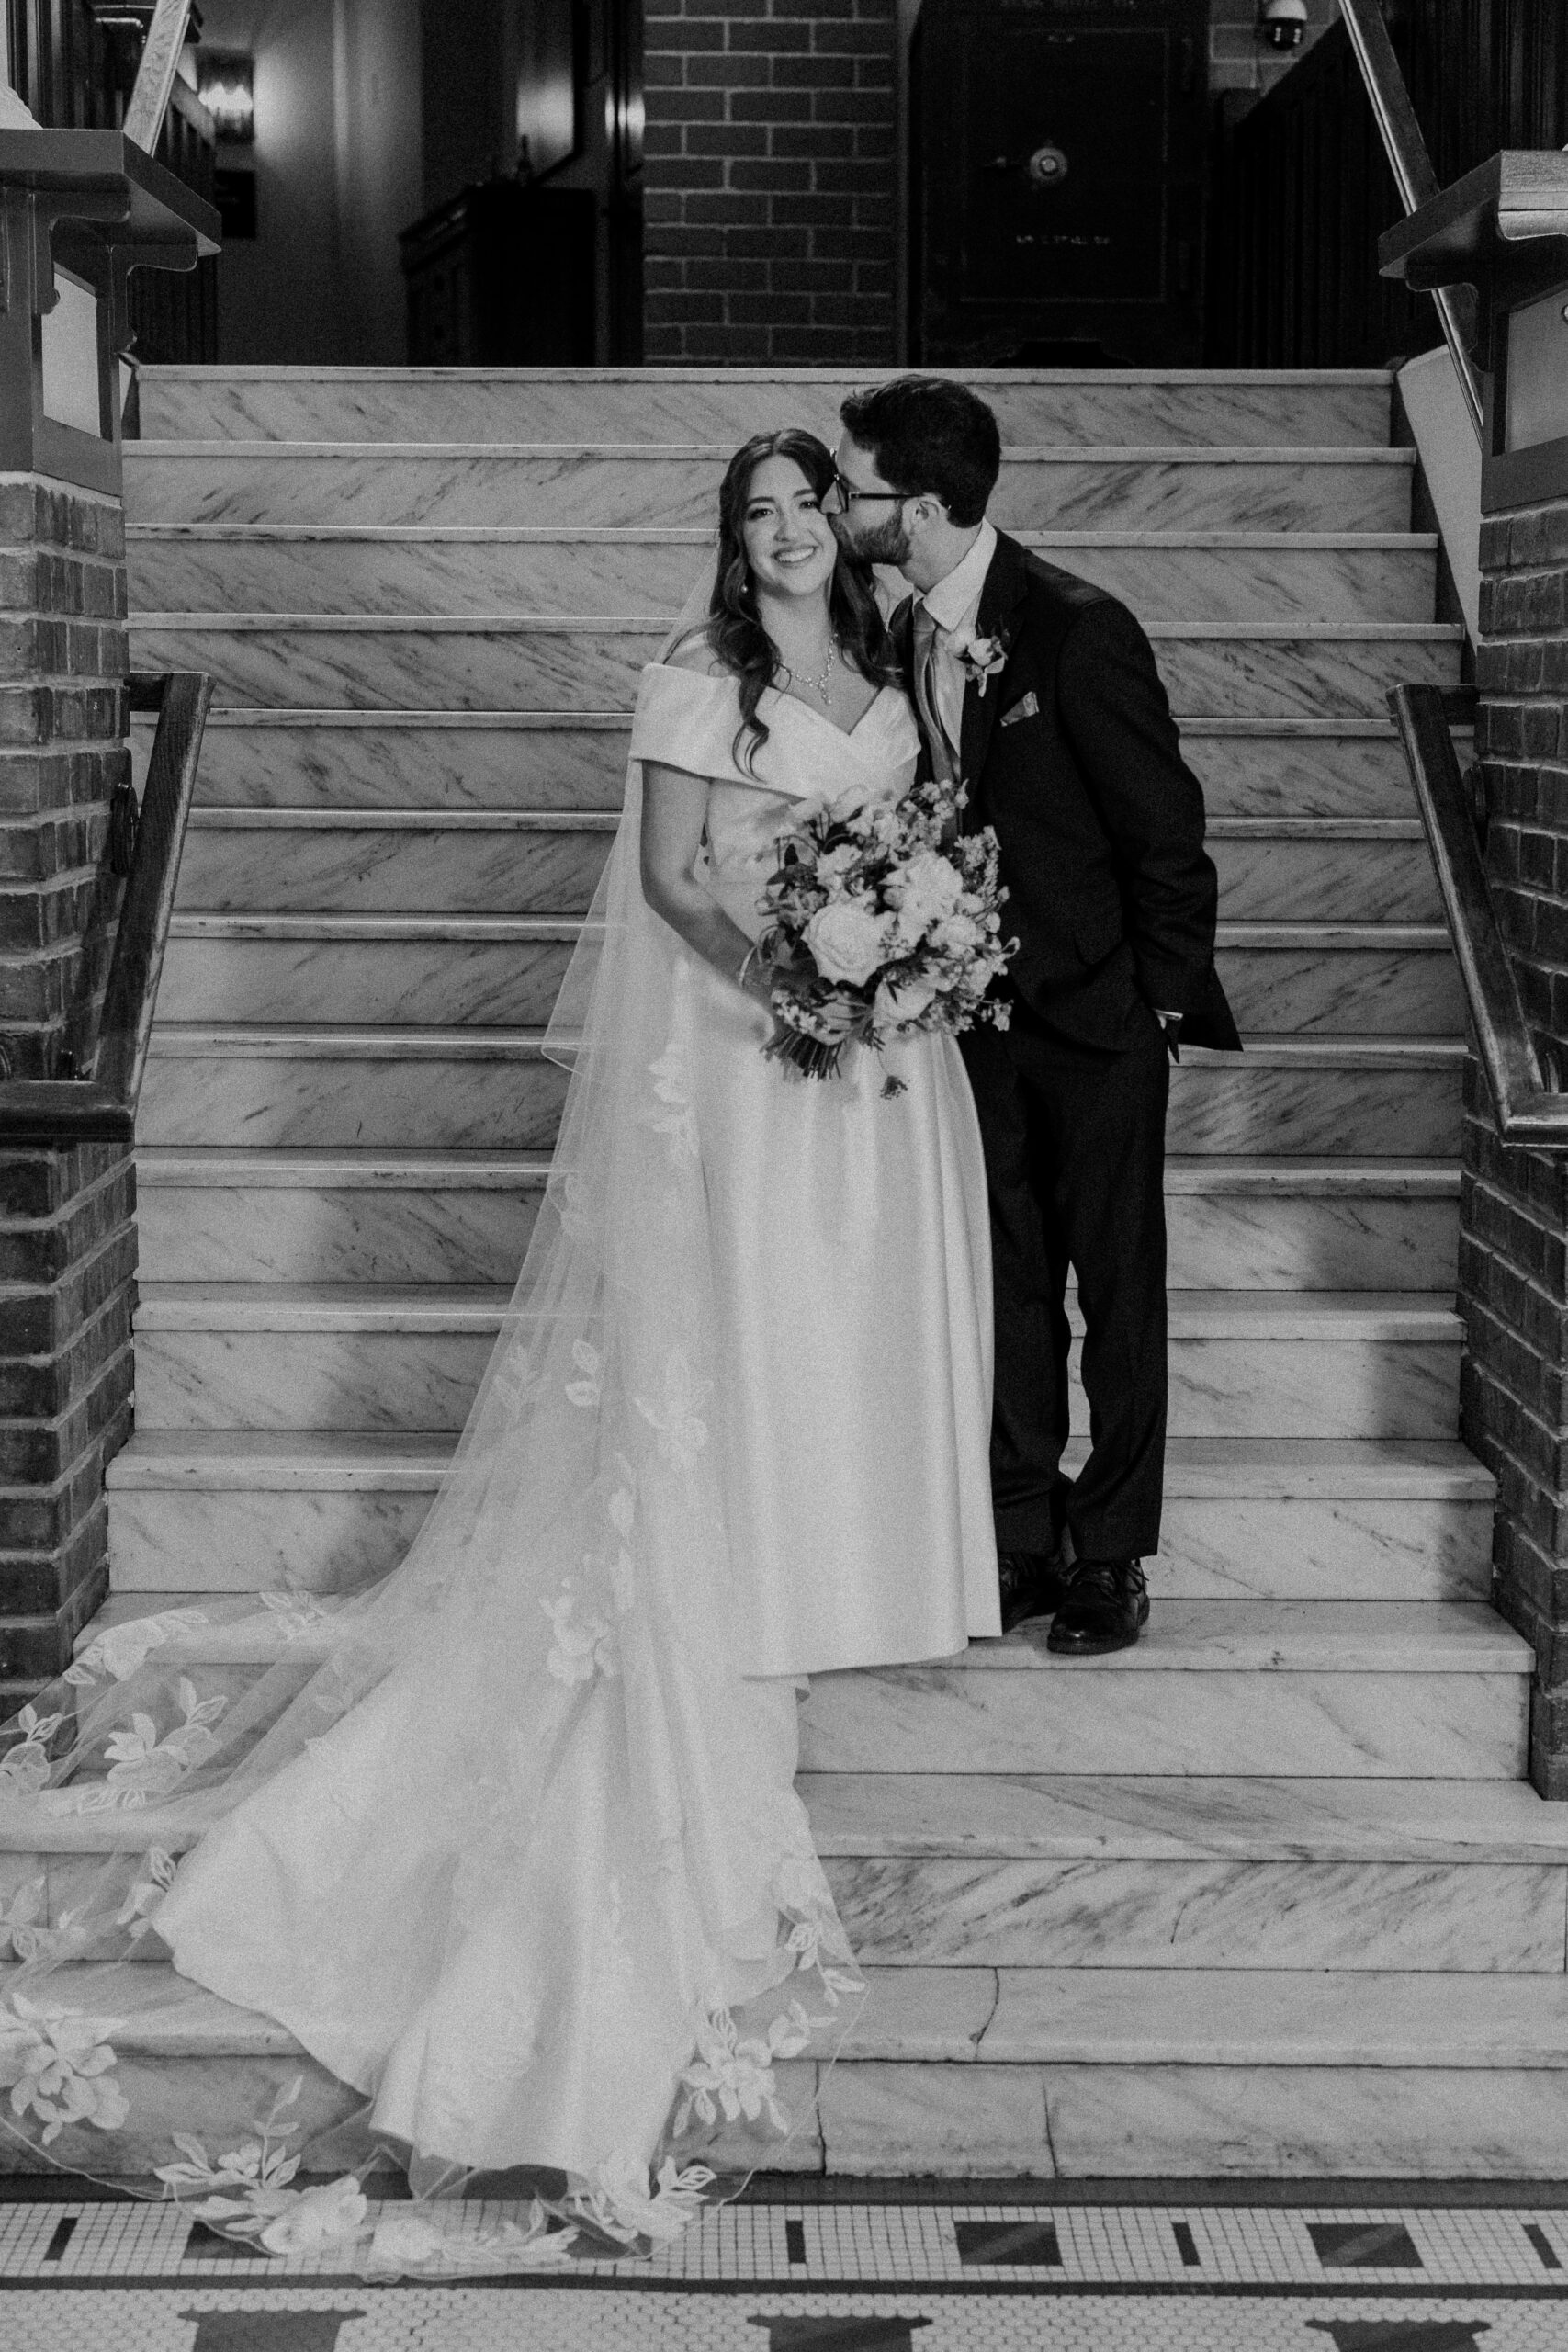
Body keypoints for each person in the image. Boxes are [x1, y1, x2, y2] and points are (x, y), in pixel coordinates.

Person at [0, 430, 998, 2255]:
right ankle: (717, 1565)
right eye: (756, 514)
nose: (786, 532)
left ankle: (824, 1534)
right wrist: (809, 981)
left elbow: (924, 836)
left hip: (876, 1061)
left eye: (806, 506)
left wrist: (909, 954)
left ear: (839, 525)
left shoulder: (898, 667)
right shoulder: (693, 678)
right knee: (721, 1335)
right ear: (731, 541)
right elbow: (678, 879)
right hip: (746, 1050)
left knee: (831, 1316)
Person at [829, 377, 1241, 1658]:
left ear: (922, 506)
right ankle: (1023, 1537)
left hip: (1100, 1020)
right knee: (1005, 1287)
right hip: (969, 1021)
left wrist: (1154, 1005)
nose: (839, 507)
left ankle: (1111, 1552)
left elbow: (1166, 831)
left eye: (853, 488)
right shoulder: (897, 636)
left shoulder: (1075, 629)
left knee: (1116, 1294)